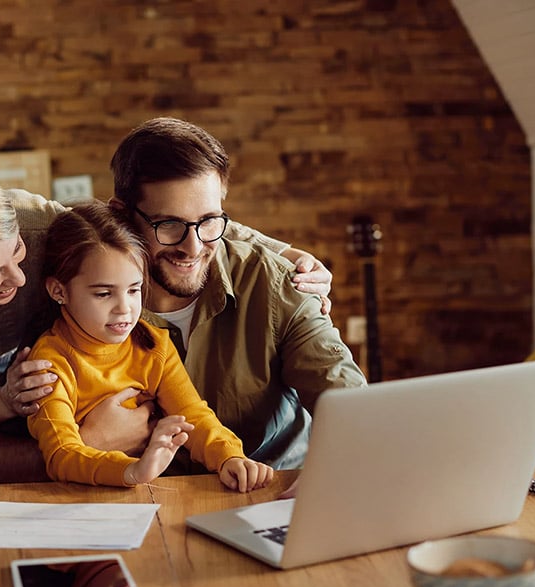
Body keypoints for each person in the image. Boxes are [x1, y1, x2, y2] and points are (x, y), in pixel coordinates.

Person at [0, 153, 331, 487]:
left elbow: (159, 224)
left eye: (18, 253)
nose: (19, 279)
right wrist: (2, 401)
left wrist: (283, 255)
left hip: (44, 353)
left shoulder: (36, 221)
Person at [106, 117, 368, 471]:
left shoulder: (273, 283)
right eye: (169, 224)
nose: (193, 247)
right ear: (121, 216)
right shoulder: (85, 295)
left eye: (209, 221)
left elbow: (346, 399)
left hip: (279, 486)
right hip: (148, 498)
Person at [27, 201, 274, 491]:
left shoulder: (154, 344)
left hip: (142, 499)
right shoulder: (49, 362)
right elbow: (60, 455)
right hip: (72, 505)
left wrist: (228, 457)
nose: (125, 309)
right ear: (59, 290)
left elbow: (193, 415)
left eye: (133, 290)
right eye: (104, 293)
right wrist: (131, 471)